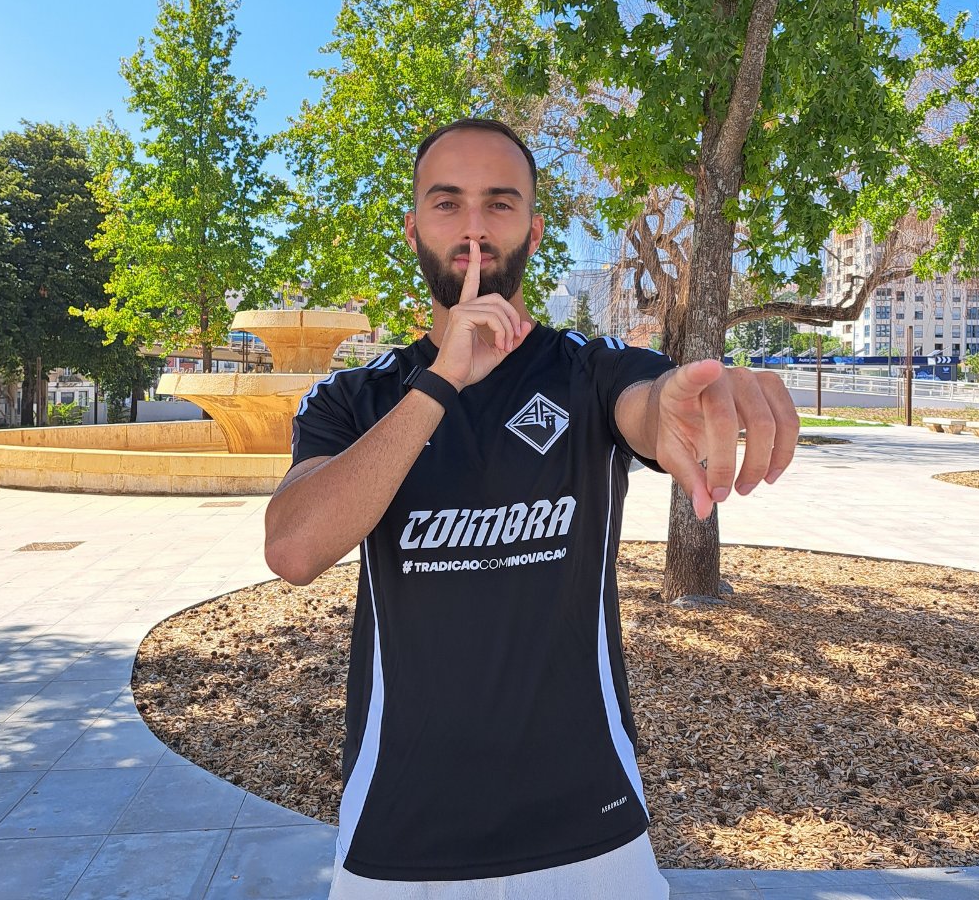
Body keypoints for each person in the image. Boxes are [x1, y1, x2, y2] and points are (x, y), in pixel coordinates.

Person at [264, 118, 799, 899]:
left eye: (500, 203)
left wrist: (689, 412)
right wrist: (441, 383)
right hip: (398, 831)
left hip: (590, 827)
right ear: (413, 227)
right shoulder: (357, 398)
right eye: (447, 204)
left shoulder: (590, 370)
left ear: (536, 230)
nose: (474, 227)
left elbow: (647, 407)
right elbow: (294, 548)